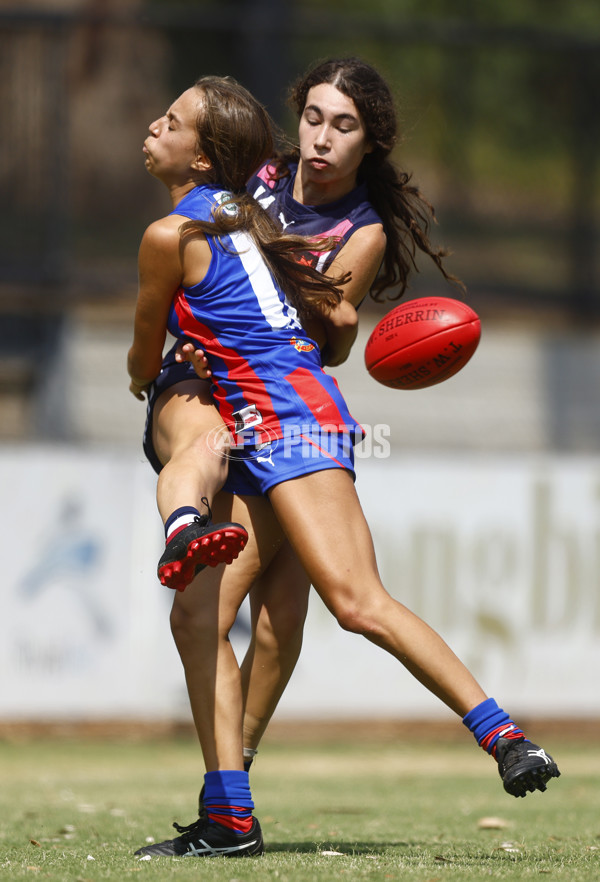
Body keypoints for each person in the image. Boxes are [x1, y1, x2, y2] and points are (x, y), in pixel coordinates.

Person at [128, 72, 560, 861]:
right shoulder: (247, 179)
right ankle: (228, 812)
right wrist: (204, 319)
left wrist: (326, 316)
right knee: (200, 615)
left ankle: (502, 735)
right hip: (246, 407)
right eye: (314, 119)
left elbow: (317, 339)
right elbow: (214, 256)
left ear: (370, 142)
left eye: (345, 126)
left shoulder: (357, 231)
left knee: (329, 608)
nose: (322, 140)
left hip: (287, 414)